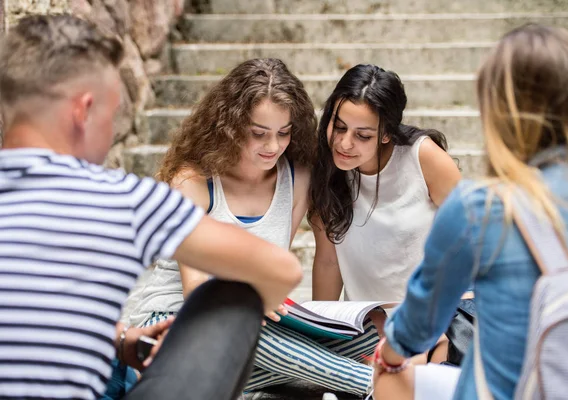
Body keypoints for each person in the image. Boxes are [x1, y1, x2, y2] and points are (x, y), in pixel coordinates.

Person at [0, 15, 303, 400]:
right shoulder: (124, 198)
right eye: (112, 115)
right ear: (83, 111)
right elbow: (283, 270)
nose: (111, 133)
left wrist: (124, 339)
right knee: (234, 298)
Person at [127, 58, 379, 397]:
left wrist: (307, 320)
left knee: (370, 334)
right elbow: (197, 290)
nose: (273, 146)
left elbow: (290, 262)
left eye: (283, 133)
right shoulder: (194, 182)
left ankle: (249, 389)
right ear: (230, 127)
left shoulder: (297, 179)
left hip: (252, 330)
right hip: (179, 323)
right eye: (258, 133)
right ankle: (378, 385)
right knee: (241, 324)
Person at [374, 24, 568, 400]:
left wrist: (389, 353)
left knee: (390, 372)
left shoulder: (481, 208)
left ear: (501, 112)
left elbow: (416, 329)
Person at [308, 64, 461, 329]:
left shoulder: (423, 158)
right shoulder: (325, 171)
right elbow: (328, 261)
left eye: (362, 135)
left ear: (386, 133)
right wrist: (322, 332)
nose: (344, 143)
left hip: (434, 325)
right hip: (365, 331)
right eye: (339, 127)